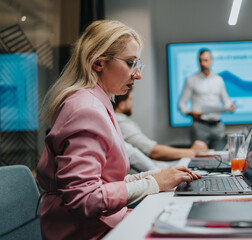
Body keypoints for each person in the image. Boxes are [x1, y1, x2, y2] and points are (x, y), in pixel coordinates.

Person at [36, 20, 200, 239]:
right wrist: (154, 183)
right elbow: (85, 198)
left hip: (98, 224)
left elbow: (104, 183)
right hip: (84, 231)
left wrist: (158, 176)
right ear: (98, 62)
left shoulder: (94, 102)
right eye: (130, 63)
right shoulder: (87, 108)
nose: (137, 74)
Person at [112, 89, 209, 161]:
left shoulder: (122, 121)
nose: (132, 103)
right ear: (121, 104)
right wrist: (192, 152)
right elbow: (154, 151)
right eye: (130, 99)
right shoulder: (121, 124)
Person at [179, 48, 235, 150]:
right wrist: (190, 113)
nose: (203, 63)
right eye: (200, 60)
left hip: (217, 126)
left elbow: (226, 101)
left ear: (211, 61)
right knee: (199, 158)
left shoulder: (219, 80)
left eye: (205, 60)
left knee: (220, 157)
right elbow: (182, 104)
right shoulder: (191, 80)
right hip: (199, 126)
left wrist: (230, 106)